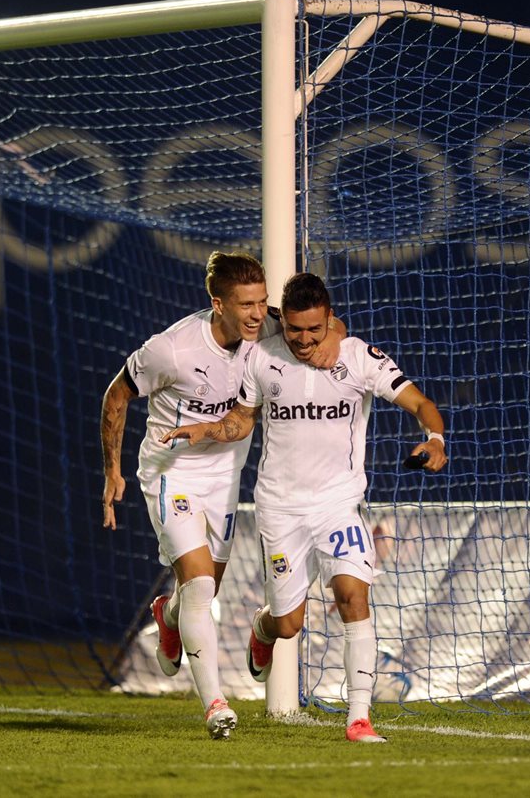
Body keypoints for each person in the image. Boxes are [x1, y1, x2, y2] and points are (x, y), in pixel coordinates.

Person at [162, 272, 447, 743]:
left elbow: (420, 402)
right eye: (296, 330)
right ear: (285, 324)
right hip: (279, 509)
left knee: (353, 597)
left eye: (316, 330)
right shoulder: (261, 358)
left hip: (339, 505)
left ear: (330, 320)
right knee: (288, 623)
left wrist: (434, 437)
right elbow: (241, 420)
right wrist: (206, 430)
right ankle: (263, 627)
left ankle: (359, 717)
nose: (306, 340)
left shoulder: (358, 357)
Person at [100, 252, 344, 740]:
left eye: (262, 302)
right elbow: (117, 395)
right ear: (217, 303)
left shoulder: (272, 327)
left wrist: (333, 337)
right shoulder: (171, 349)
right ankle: (215, 704)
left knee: (202, 586)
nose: (258, 313)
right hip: (173, 472)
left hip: (225, 478)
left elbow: (329, 325)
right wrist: (112, 471)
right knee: (200, 587)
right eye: (246, 305)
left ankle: (166, 617)